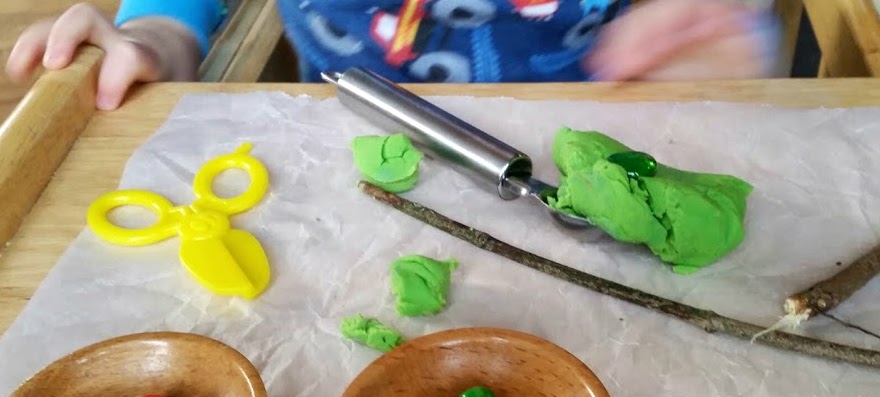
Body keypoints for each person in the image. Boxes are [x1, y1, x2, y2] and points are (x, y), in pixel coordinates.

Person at [6, 0, 781, 111]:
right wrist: (153, 41)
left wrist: (717, 44)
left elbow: (724, 32)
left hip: (595, 136)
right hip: (342, 150)